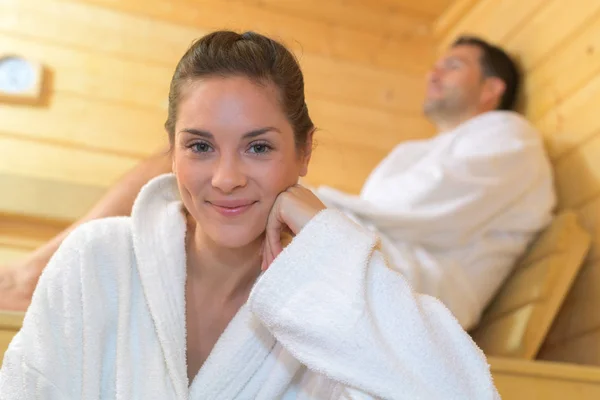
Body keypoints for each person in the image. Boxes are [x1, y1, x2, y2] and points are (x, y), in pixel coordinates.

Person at [0, 31, 499, 398]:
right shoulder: (96, 261)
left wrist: (329, 243)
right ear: (171, 152)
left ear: (304, 154)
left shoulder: (329, 305)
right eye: (200, 146)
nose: (226, 177)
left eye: (258, 147)